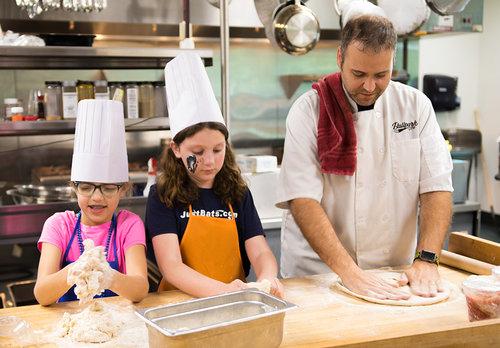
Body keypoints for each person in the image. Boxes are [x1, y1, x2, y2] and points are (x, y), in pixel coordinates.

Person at [276, 8, 453, 301]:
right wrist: (350, 272)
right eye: (358, 74)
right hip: (318, 274)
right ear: (340, 59)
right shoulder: (308, 110)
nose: (370, 86)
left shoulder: (415, 106)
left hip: (394, 271)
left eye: (381, 75)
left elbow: (436, 187)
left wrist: (427, 258)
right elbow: (302, 199)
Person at [146, 52, 283, 298]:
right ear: (176, 149)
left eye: (218, 149)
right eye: (197, 152)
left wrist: (267, 277)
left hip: (233, 301)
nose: (209, 161)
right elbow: (172, 267)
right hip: (179, 304)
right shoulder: (163, 195)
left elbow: (260, 252)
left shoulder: (237, 192)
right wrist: (223, 291)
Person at [34, 100, 149, 305]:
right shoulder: (60, 225)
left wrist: (108, 275)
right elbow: (42, 294)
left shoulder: (128, 224)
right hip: (69, 327)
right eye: (86, 187)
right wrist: (79, 267)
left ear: (122, 189)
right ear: (74, 188)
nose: (97, 197)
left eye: (108, 187)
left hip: (116, 325)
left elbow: (140, 289)